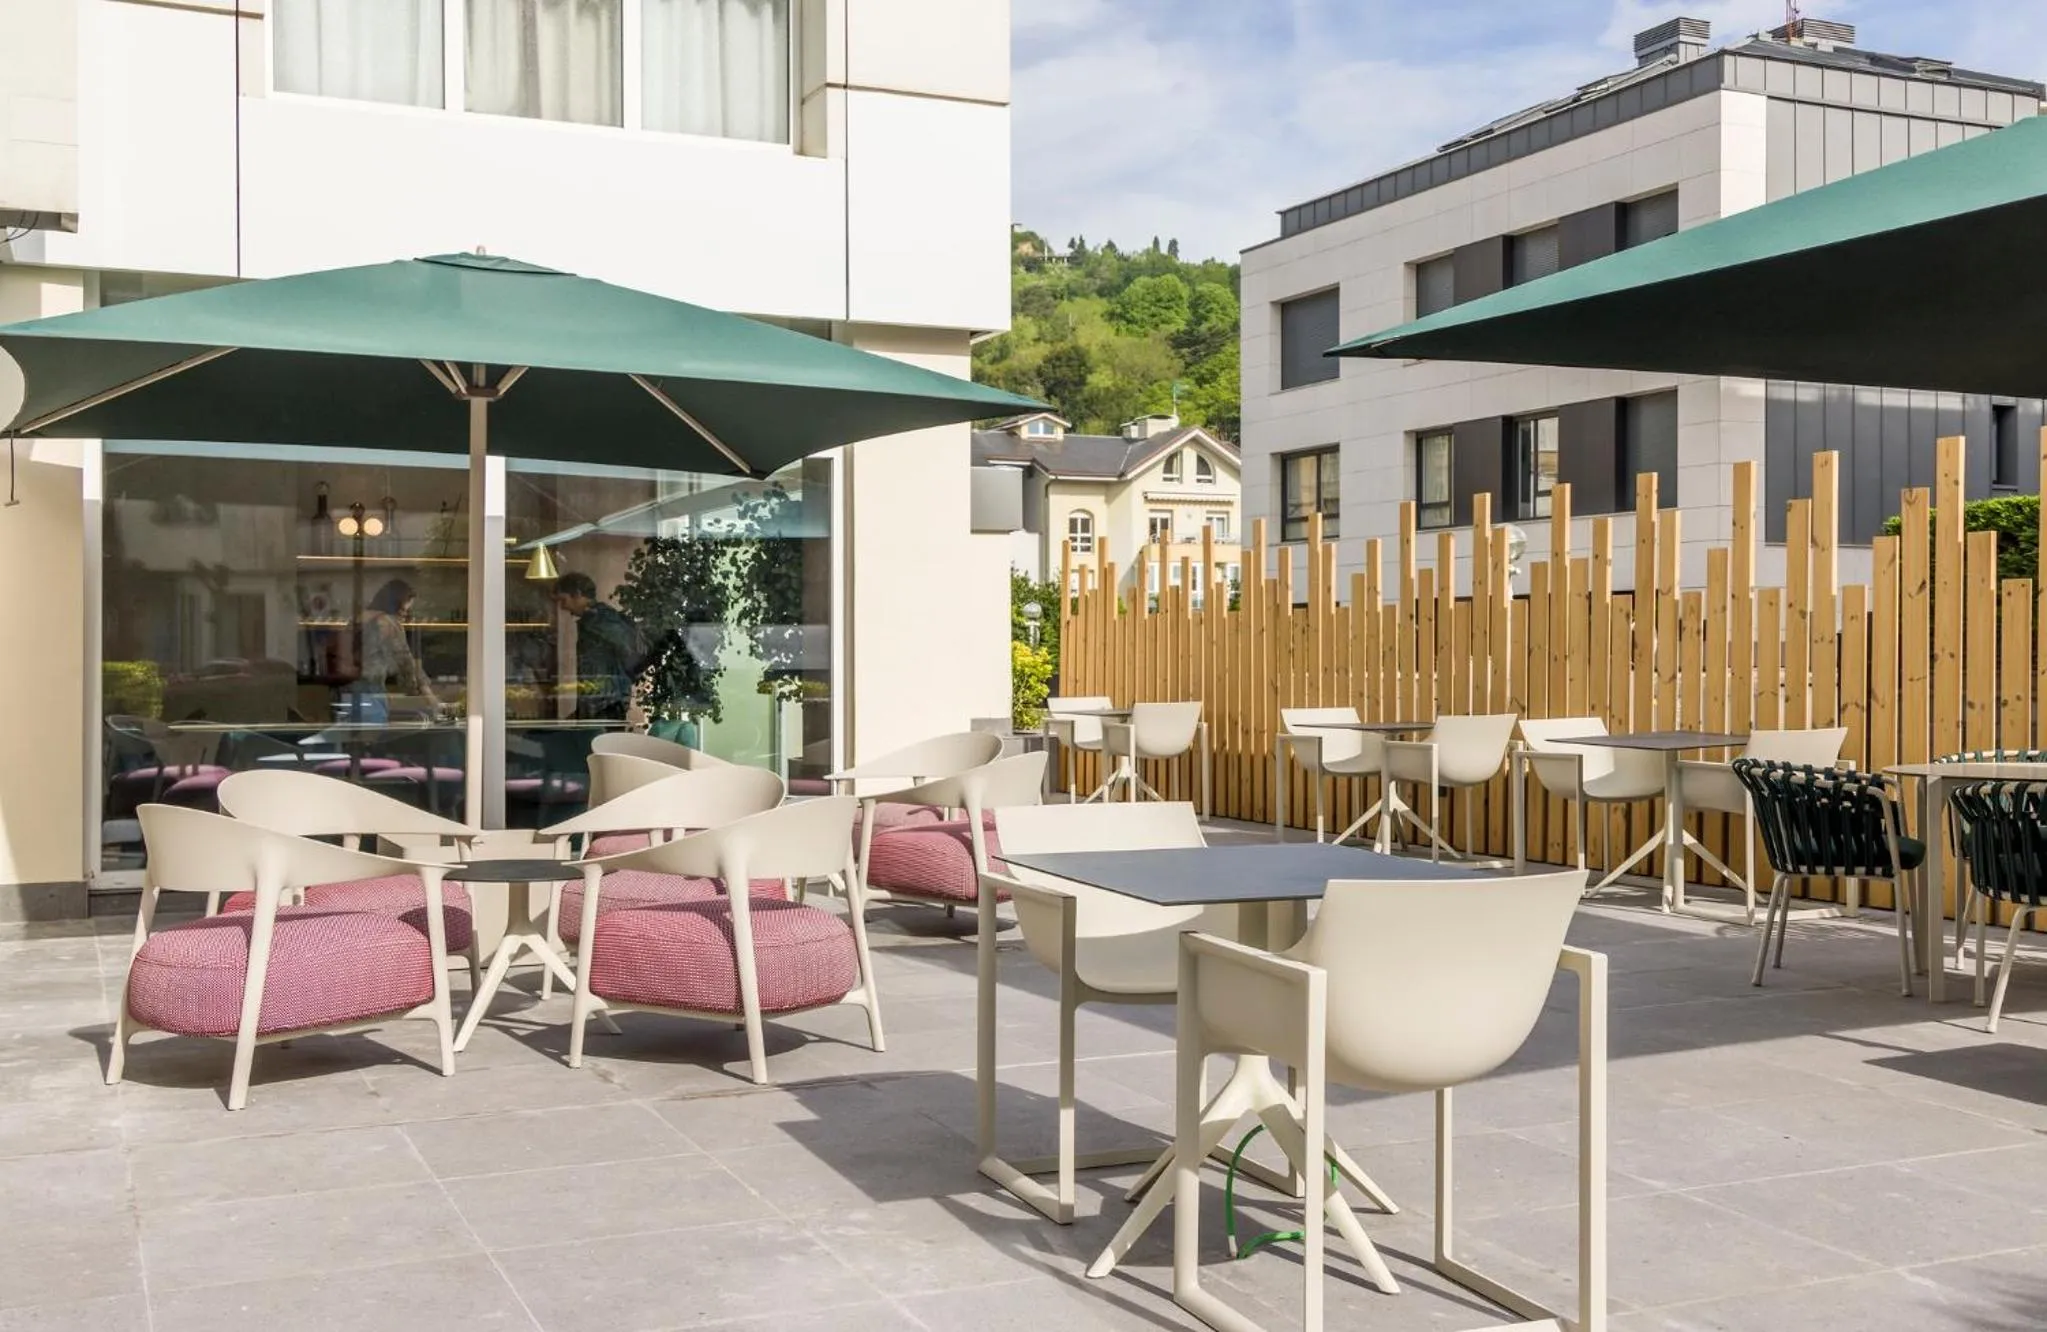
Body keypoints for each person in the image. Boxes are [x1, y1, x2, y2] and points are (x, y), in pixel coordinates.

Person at [342, 579, 438, 724]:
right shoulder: (387, 622)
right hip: (370, 689)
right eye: (404, 610)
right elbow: (405, 660)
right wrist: (426, 695)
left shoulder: (359, 618)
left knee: (351, 734)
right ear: (397, 603)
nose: (405, 615)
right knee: (372, 733)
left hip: (346, 689)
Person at [552, 571, 641, 721]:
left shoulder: (601, 619)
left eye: (563, 600)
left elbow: (630, 650)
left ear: (578, 594)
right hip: (600, 705)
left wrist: (615, 696)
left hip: (606, 706)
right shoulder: (595, 619)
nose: (563, 607)